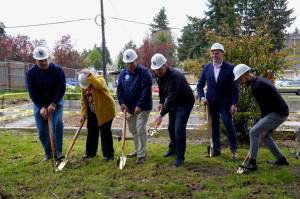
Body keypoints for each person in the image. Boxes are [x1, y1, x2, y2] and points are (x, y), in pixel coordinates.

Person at [233, 64, 289, 171]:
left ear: (246, 74)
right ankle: (281, 160)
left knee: (253, 132)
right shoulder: (259, 81)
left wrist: (261, 124)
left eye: (241, 79)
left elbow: (265, 108)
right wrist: (263, 126)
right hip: (280, 111)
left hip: (277, 113)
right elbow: (266, 107)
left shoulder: (257, 86)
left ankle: (252, 163)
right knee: (265, 136)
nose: (241, 82)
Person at [152, 53, 195, 167]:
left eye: (159, 69)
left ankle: (180, 157)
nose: (157, 72)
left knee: (179, 129)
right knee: (171, 127)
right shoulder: (158, 75)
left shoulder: (175, 76)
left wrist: (161, 114)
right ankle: (173, 149)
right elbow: (162, 91)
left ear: (165, 65)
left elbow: (170, 97)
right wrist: (161, 102)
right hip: (174, 103)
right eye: (155, 70)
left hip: (185, 102)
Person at [197, 43, 239, 159]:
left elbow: (234, 88)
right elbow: (200, 85)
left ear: (222, 54)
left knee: (228, 124)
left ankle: (234, 150)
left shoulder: (230, 68)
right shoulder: (207, 68)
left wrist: (234, 103)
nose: (214, 55)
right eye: (213, 53)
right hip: (211, 103)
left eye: (217, 53)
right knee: (214, 125)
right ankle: (216, 150)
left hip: (226, 103)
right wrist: (202, 97)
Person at [26, 46, 66, 161]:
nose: (43, 62)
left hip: (56, 102)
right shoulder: (31, 73)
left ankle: (58, 152)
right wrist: (41, 107)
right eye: (40, 61)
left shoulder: (58, 70)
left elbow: (61, 88)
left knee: (57, 124)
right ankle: (48, 153)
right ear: (35, 60)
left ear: (48, 58)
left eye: (45, 59)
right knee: (42, 130)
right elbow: (32, 91)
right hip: (40, 104)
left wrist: (53, 104)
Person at [116, 49, 152, 164]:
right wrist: (121, 103)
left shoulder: (145, 73)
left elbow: (146, 91)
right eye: (127, 63)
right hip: (129, 108)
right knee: (133, 130)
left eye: (131, 62)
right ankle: (138, 150)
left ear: (136, 60)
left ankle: (141, 155)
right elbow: (119, 90)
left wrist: (139, 106)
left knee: (140, 128)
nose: (129, 65)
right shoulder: (123, 73)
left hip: (143, 107)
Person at [78, 68, 116, 161]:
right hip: (93, 111)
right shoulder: (84, 87)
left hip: (105, 110)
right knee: (91, 131)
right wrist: (83, 114)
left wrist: (90, 75)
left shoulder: (100, 79)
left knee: (105, 132)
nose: (86, 87)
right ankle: (90, 153)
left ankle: (108, 155)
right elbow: (83, 101)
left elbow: (98, 86)